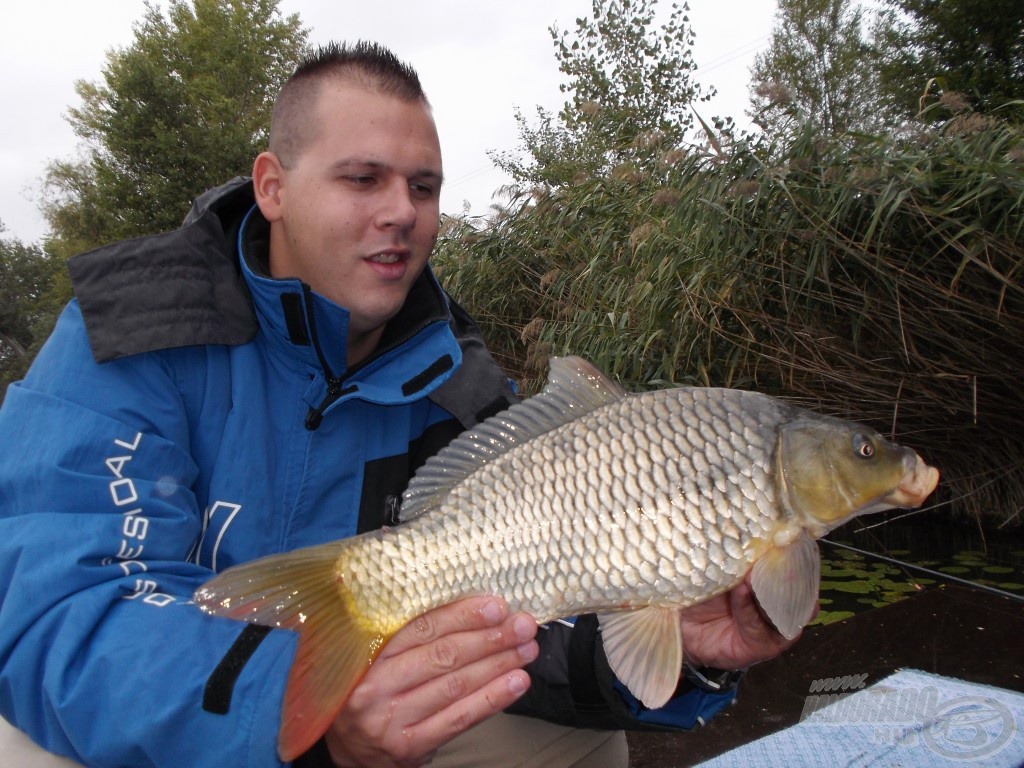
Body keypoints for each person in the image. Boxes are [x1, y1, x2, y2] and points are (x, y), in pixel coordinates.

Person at [0, 42, 797, 768]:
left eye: (423, 187)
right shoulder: (137, 331)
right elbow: (54, 614)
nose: (401, 212)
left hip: (361, 702)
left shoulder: (461, 389)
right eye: (362, 178)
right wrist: (297, 704)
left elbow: (520, 632)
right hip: (171, 720)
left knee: (584, 745)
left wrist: (682, 643)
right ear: (272, 187)